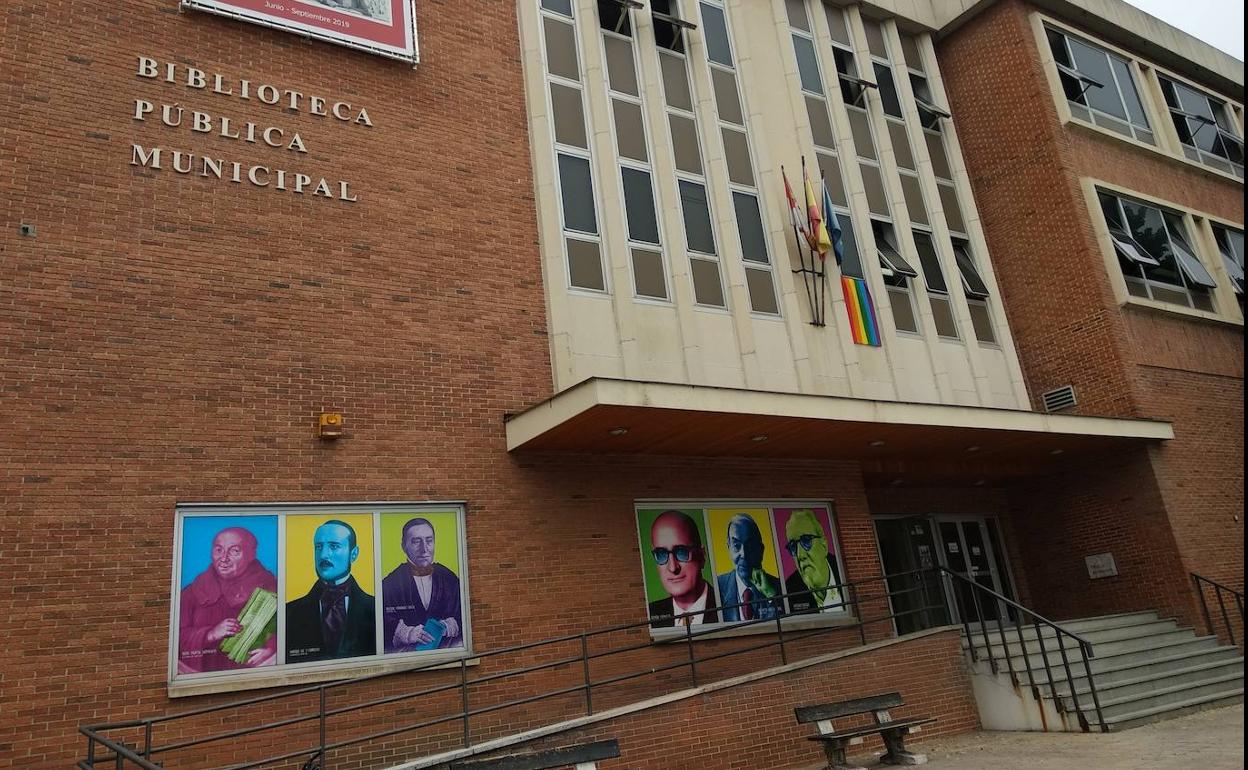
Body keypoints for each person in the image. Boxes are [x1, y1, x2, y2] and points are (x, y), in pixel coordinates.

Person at [178, 526, 278, 673]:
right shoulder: (192, 592)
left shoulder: (271, 588)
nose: (223, 558)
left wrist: (273, 650)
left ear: (251, 555)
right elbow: (175, 638)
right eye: (218, 550)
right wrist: (210, 634)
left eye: (234, 551)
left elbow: (290, 628)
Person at [286, 520, 377, 663]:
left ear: (353, 554)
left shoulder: (375, 608)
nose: (323, 555)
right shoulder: (290, 612)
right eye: (318, 547)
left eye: (334, 546)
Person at [381, 518, 464, 652]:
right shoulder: (390, 584)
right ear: (403, 546)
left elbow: (466, 614)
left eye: (429, 541)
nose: (424, 549)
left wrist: (449, 626)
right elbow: (380, 622)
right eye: (416, 541)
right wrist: (406, 633)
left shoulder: (449, 578)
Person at [646, 510, 719, 628]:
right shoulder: (650, 614)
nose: (673, 567)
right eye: (661, 554)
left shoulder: (730, 606)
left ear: (702, 555)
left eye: (681, 552)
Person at [716, 514, 783, 622]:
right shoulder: (717, 587)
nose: (743, 554)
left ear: (761, 551)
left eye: (750, 546)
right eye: (737, 546)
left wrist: (771, 596)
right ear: (729, 548)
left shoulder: (778, 587)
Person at [782, 509, 845, 614]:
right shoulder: (791, 589)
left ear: (824, 545)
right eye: (793, 547)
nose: (800, 555)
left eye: (806, 540)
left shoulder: (842, 569)